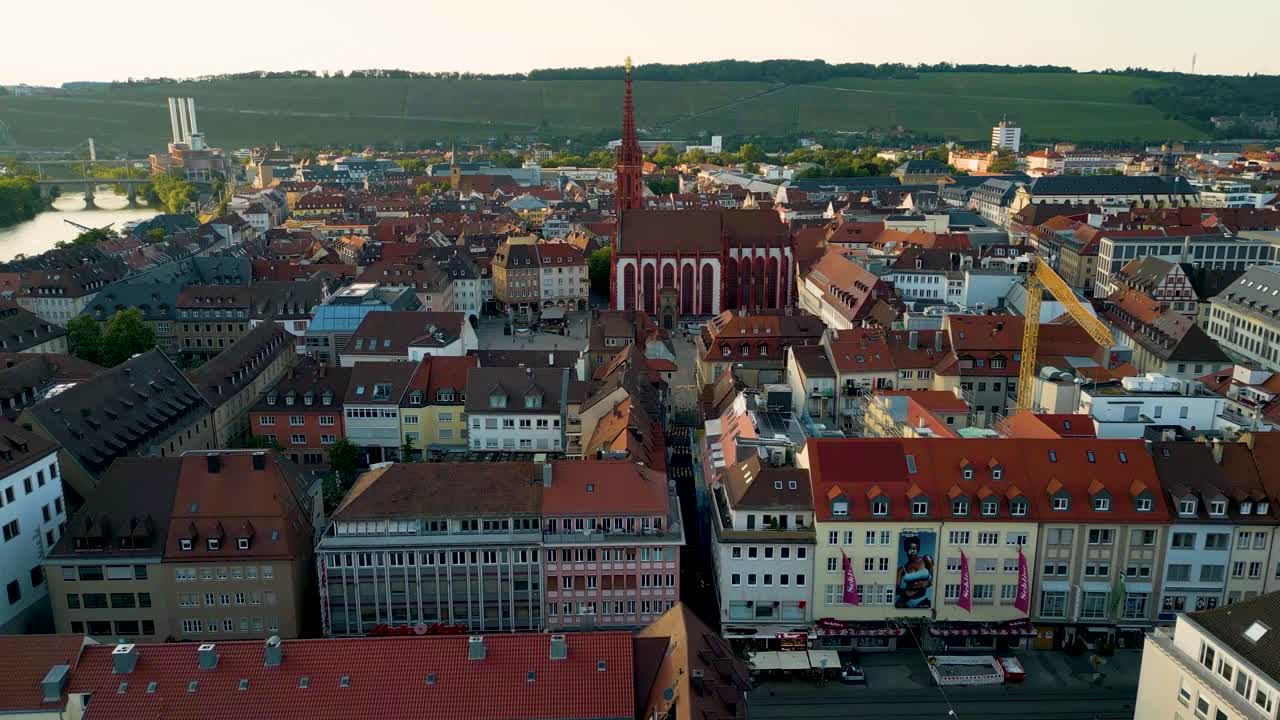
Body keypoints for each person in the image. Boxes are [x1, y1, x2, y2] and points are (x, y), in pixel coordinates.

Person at [895, 534, 934, 609]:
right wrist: (906, 591)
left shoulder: (926, 559)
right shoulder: (902, 569)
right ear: (905, 549)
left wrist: (929, 583)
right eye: (910, 549)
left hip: (922, 599)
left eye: (915, 549)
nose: (912, 552)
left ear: (918, 549)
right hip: (906, 600)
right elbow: (895, 589)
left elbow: (938, 576)